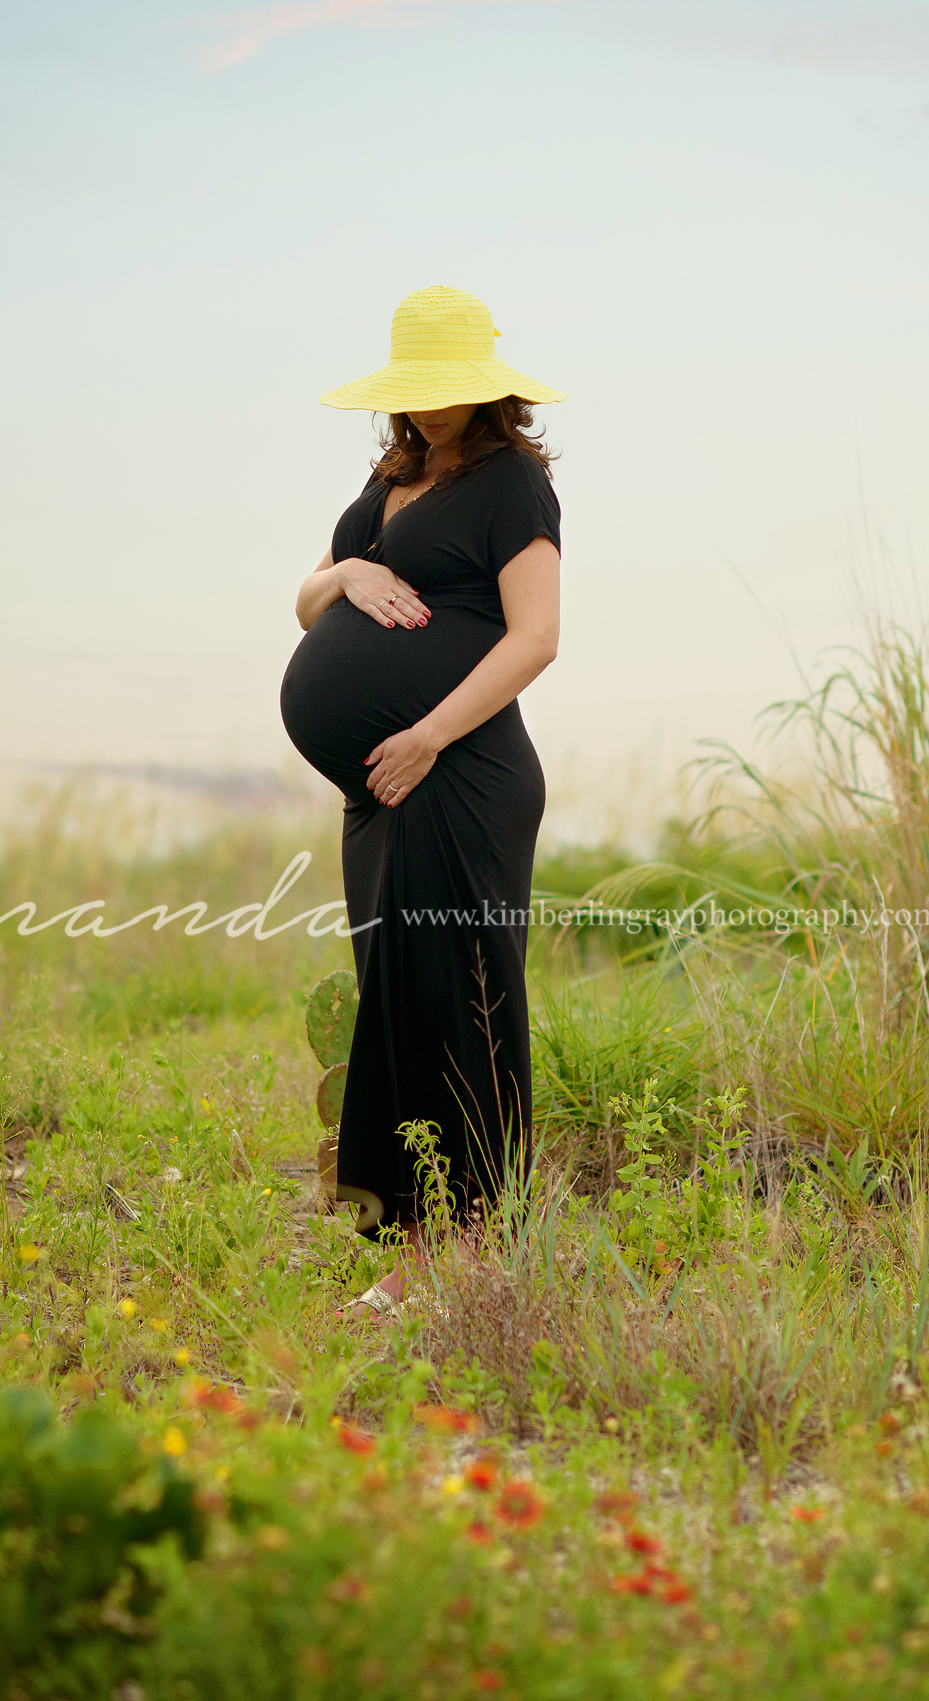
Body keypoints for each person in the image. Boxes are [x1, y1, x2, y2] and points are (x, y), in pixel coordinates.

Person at [280, 283, 564, 1316]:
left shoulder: (511, 485)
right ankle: (415, 1244)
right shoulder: (388, 477)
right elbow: (305, 594)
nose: (430, 407)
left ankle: (474, 1252)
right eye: (418, 391)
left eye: (447, 391)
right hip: (384, 787)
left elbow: (534, 637)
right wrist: (350, 574)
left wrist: (428, 733)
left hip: (460, 773)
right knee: (395, 1001)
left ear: (486, 388)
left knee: (460, 1000)